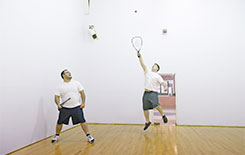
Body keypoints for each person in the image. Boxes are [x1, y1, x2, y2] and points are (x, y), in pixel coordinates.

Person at [51, 69, 95, 143]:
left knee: (82, 121)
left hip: (76, 107)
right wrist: (58, 104)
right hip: (65, 108)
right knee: (59, 122)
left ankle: (88, 136)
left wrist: (83, 103)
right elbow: (56, 97)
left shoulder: (76, 83)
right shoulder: (59, 86)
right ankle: (57, 136)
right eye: (67, 73)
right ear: (63, 75)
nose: (69, 73)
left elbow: (82, 93)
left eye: (69, 72)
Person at [137, 53, 169, 130]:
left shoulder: (158, 76)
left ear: (157, 69)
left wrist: (165, 87)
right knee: (145, 108)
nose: (153, 66)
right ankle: (147, 122)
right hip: (146, 93)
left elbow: (163, 83)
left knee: (156, 105)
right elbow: (142, 64)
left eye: (155, 66)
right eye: (153, 65)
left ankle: (163, 115)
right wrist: (140, 57)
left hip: (153, 93)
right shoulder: (147, 71)